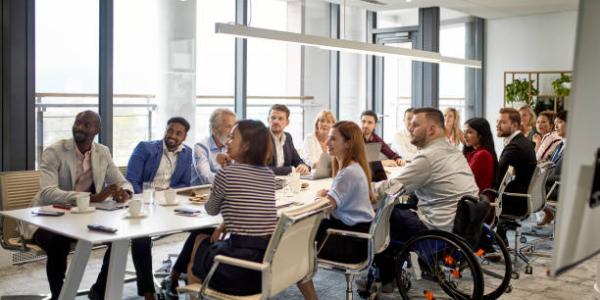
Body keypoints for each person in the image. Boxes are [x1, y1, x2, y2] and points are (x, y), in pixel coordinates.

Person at [23, 111, 150, 300]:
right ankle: (62, 295)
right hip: (49, 216)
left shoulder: (102, 152)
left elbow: (123, 182)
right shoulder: (54, 151)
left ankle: (99, 291)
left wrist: (126, 192)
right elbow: (47, 193)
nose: (80, 127)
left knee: (119, 239)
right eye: (77, 122)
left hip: (85, 218)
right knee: (59, 242)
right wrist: (92, 197)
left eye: (86, 125)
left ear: (97, 129)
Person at [373, 107, 479, 291]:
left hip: (438, 230)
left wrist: (364, 187)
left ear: (431, 129)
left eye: (415, 125)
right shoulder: (452, 150)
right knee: (401, 206)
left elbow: (392, 188)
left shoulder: (427, 157)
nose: (410, 129)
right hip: (460, 224)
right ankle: (393, 273)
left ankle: (383, 278)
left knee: (385, 214)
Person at [187, 120, 277, 296]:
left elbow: (211, 210)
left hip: (237, 267)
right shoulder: (269, 174)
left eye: (232, 137)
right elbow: (246, 207)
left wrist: (224, 172)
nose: (227, 141)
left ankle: (190, 285)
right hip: (264, 266)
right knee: (204, 242)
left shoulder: (226, 174)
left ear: (246, 146)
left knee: (198, 247)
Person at [297, 121, 375, 300]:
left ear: (347, 143)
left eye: (333, 139)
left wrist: (322, 197)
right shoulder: (354, 168)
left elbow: (325, 207)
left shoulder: (348, 173)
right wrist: (330, 193)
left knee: (296, 250)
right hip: (357, 235)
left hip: (349, 241)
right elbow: (338, 197)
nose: (327, 142)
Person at [495, 108, 537, 242]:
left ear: (514, 126)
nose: (497, 125)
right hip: (522, 196)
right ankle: (499, 237)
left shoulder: (515, 147)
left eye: (502, 122)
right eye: (498, 121)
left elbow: (498, 173)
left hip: (515, 201)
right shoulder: (523, 142)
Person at [127, 117, 192, 193]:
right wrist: (145, 198)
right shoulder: (144, 148)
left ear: (184, 137)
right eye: (170, 131)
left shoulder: (187, 152)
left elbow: (185, 183)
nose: (173, 136)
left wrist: (169, 194)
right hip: (146, 198)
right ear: (165, 131)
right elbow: (132, 180)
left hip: (171, 199)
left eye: (178, 134)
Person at [191, 108, 237, 185]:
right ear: (215, 129)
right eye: (229, 127)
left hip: (223, 193)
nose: (232, 131)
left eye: (234, 127)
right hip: (201, 194)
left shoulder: (231, 147)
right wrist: (233, 179)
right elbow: (206, 178)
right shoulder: (200, 147)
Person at [539, 110, 568, 226]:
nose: (555, 126)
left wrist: (543, 178)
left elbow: (568, 175)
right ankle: (548, 212)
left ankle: (548, 212)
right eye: (555, 123)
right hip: (550, 184)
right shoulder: (560, 145)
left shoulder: (572, 147)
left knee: (526, 186)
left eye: (560, 122)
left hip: (558, 187)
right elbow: (551, 165)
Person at [267, 104, 310, 175]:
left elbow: (297, 160)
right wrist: (290, 170)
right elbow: (262, 169)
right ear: (268, 120)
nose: (276, 121)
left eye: (280, 118)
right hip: (267, 182)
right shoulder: (261, 138)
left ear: (287, 122)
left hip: (285, 182)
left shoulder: (288, 137)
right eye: (273, 118)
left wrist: (303, 166)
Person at [463, 118, 498, 194]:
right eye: (464, 132)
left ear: (480, 135)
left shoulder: (482, 155)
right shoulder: (473, 153)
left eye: (469, 132)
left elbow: (464, 180)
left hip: (477, 202)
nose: (465, 136)